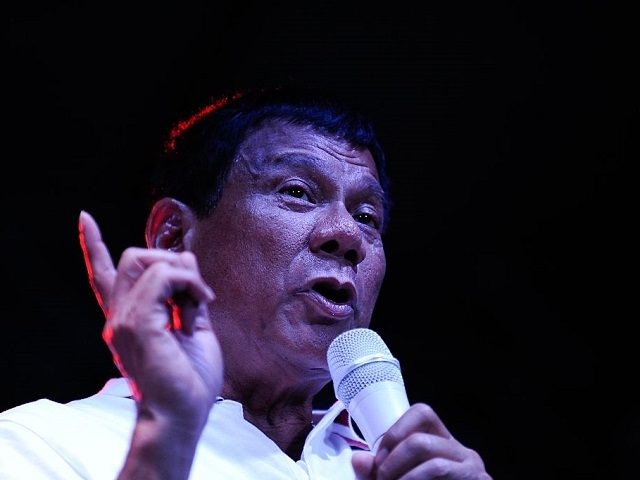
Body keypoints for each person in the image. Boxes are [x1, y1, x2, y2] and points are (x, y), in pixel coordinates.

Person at [0, 84, 492, 479]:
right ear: (174, 238)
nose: (348, 235)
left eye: (368, 215)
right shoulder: (42, 441)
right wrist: (167, 433)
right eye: (298, 192)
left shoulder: (411, 468)